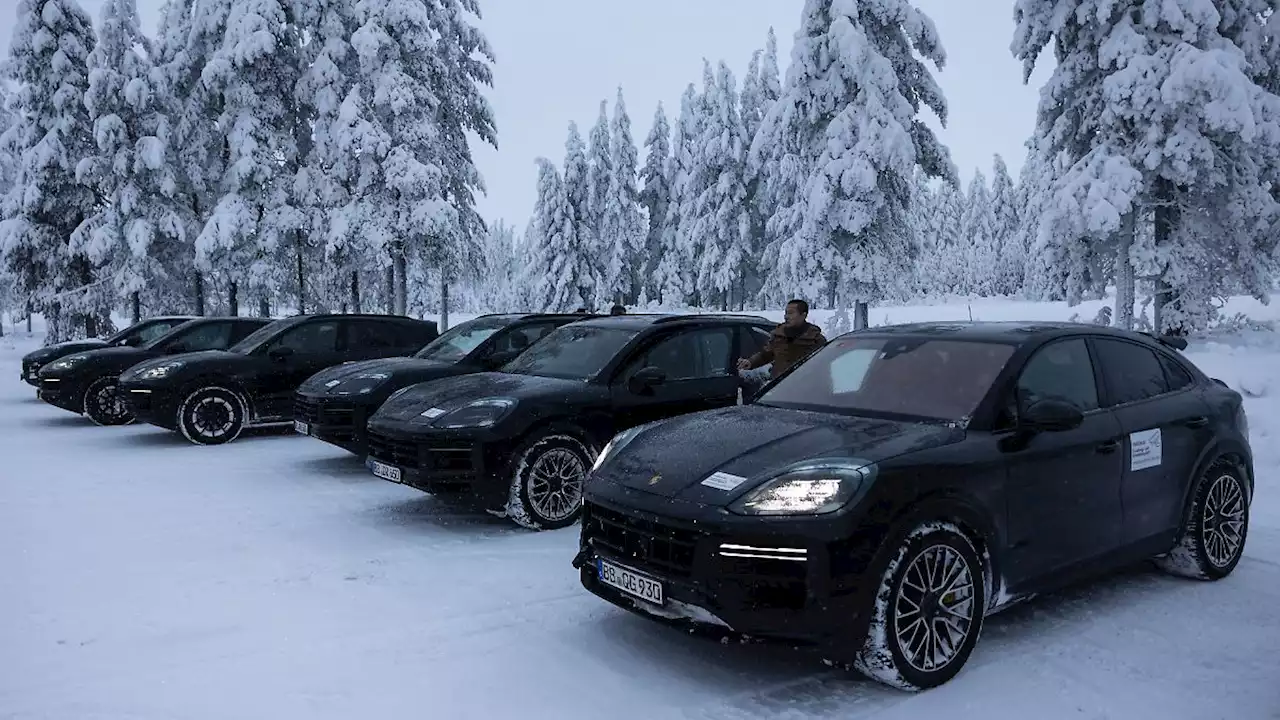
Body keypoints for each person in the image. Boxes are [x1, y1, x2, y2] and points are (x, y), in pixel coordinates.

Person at [737, 299, 827, 379]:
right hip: (779, 386)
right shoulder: (778, 335)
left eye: (791, 313)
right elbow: (766, 354)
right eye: (786, 313)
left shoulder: (815, 339)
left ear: (803, 315)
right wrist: (750, 362)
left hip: (805, 387)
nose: (786, 316)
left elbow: (824, 366)